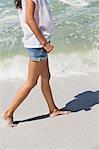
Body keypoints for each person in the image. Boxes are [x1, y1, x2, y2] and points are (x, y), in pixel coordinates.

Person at [2, 0, 70, 127]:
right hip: (38, 44)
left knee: (46, 77)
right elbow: (29, 19)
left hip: (38, 43)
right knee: (31, 82)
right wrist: (44, 43)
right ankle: (8, 112)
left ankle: (53, 109)